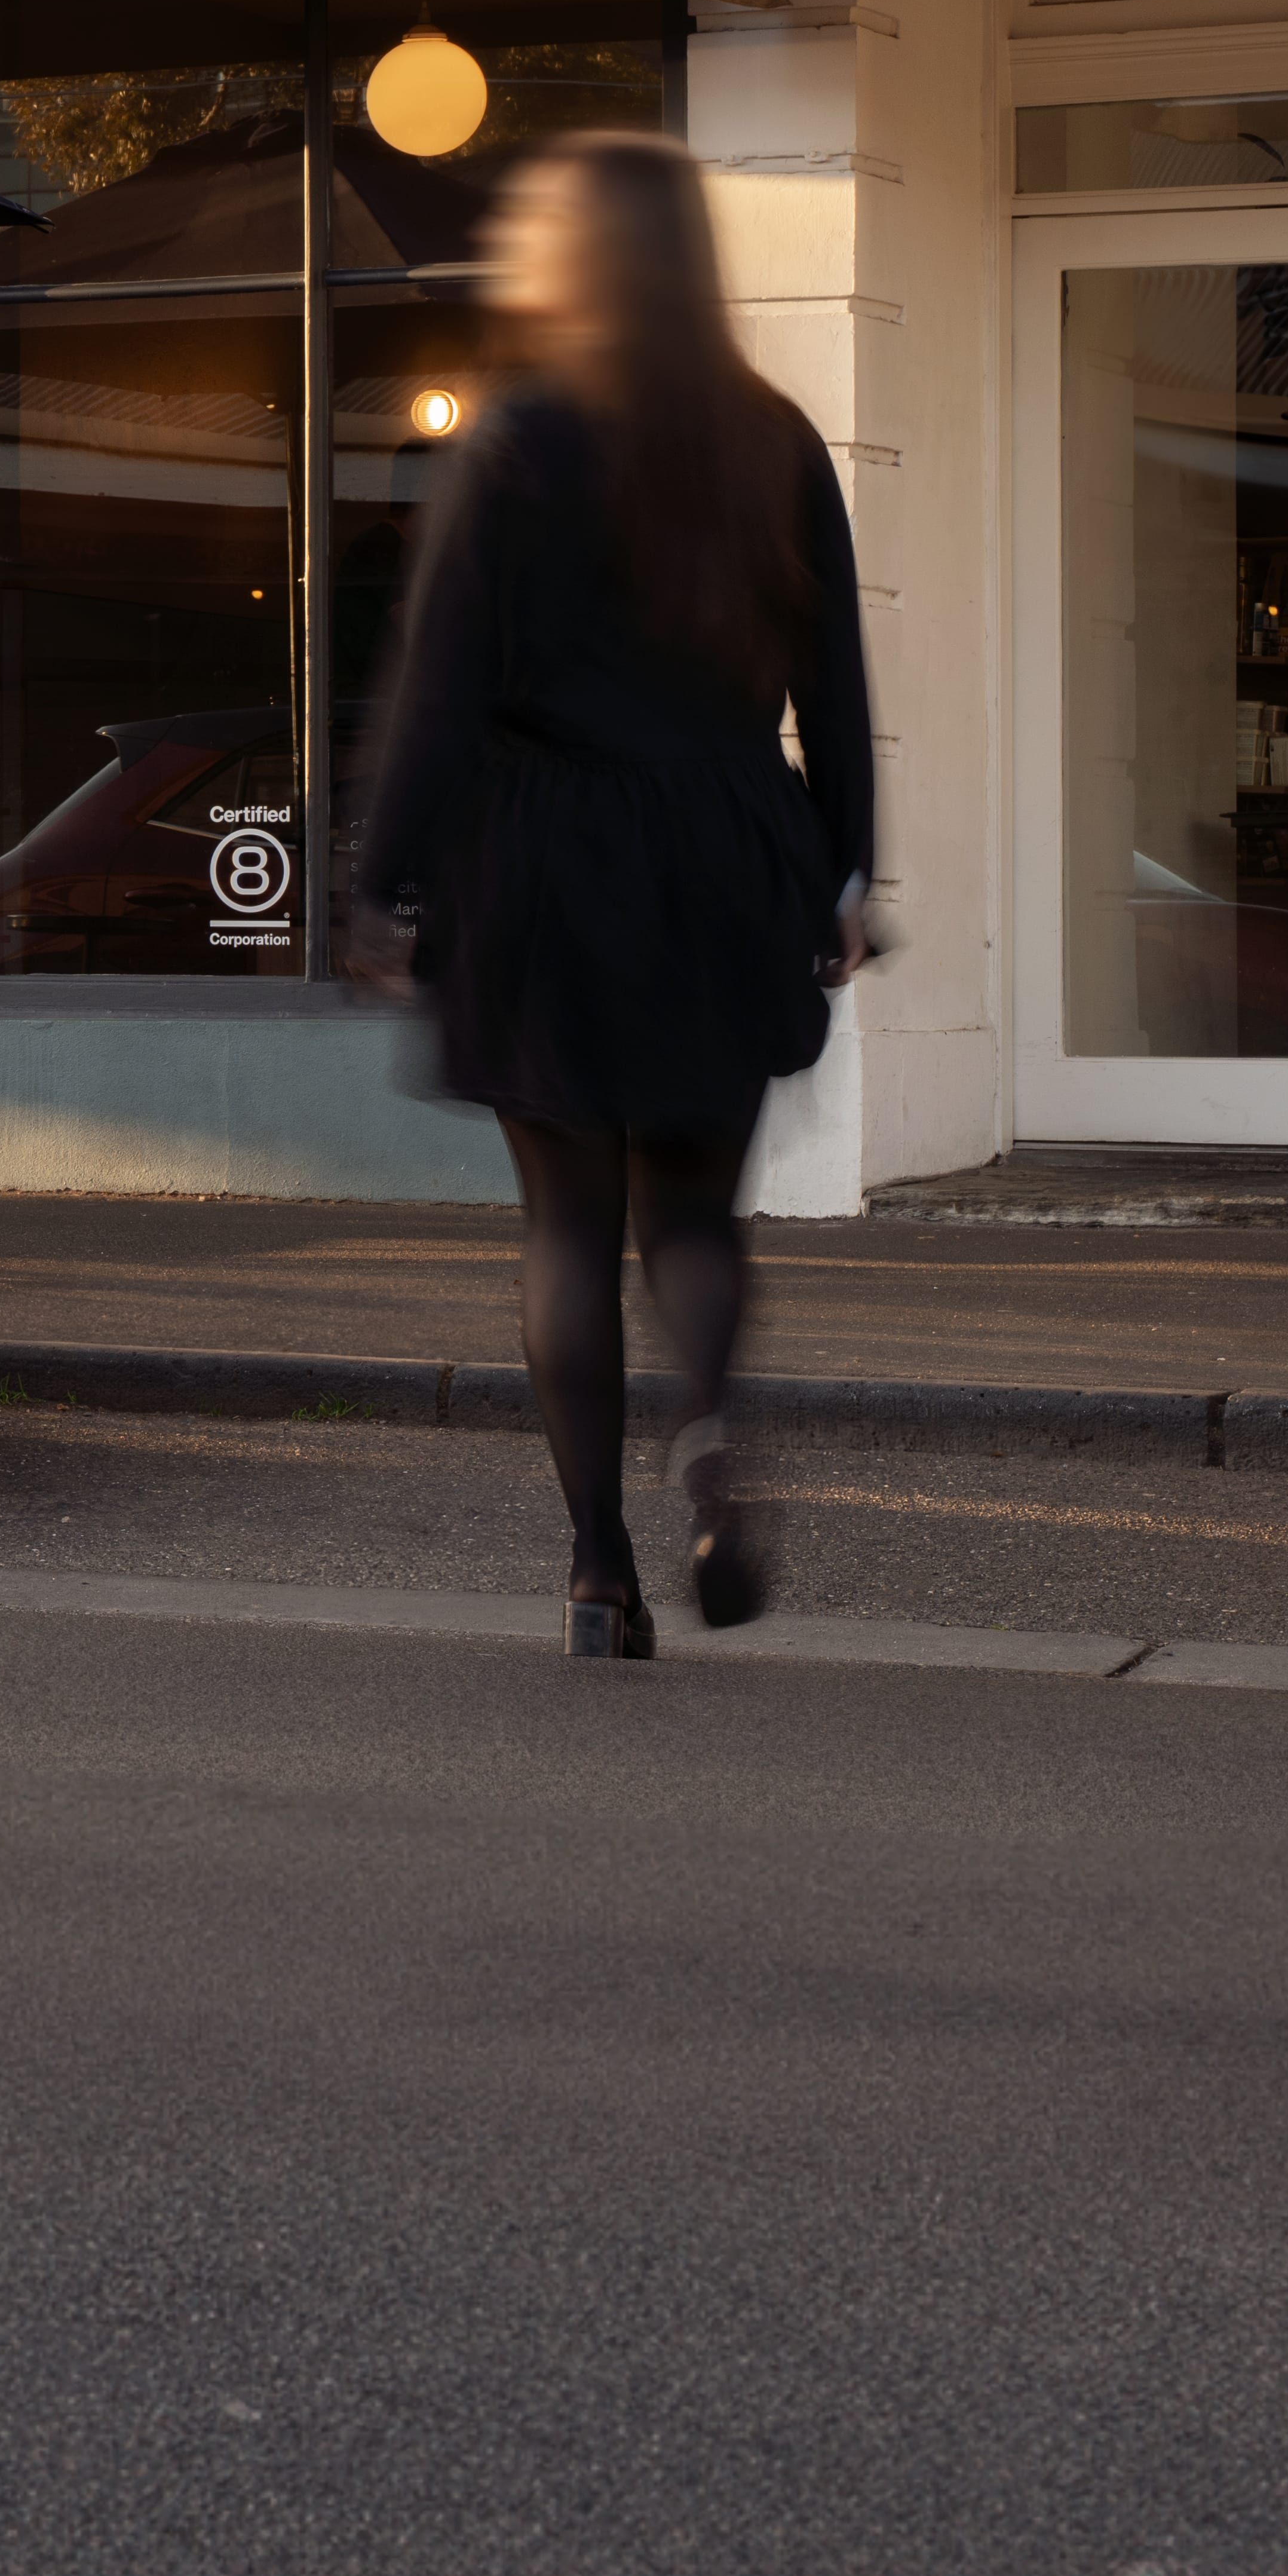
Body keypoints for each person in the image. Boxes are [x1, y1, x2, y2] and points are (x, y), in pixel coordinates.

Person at [352, 136, 876, 1662]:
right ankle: (706, 1430)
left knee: (566, 1226)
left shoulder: (514, 440)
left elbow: (437, 691)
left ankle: (597, 1572)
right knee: (697, 1215)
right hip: (724, 848)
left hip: (542, 861)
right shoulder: (770, 437)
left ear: (581, 256)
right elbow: (835, 688)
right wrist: (843, 870)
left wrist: (381, 885)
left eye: (536, 222)